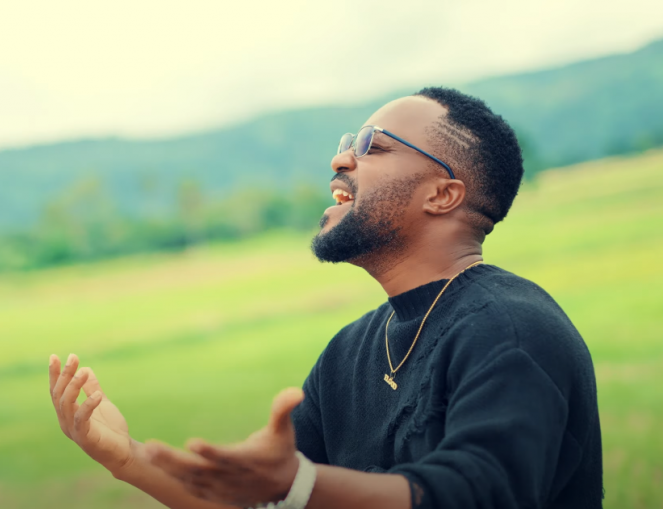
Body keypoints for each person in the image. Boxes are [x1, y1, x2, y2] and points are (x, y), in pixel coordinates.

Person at [47, 87, 602, 509]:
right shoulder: (351, 350)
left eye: (372, 146)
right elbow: (264, 497)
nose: (341, 161)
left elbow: (476, 492)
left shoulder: (510, 331)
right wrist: (125, 457)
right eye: (345, 145)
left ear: (442, 194)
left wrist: (299, 482)